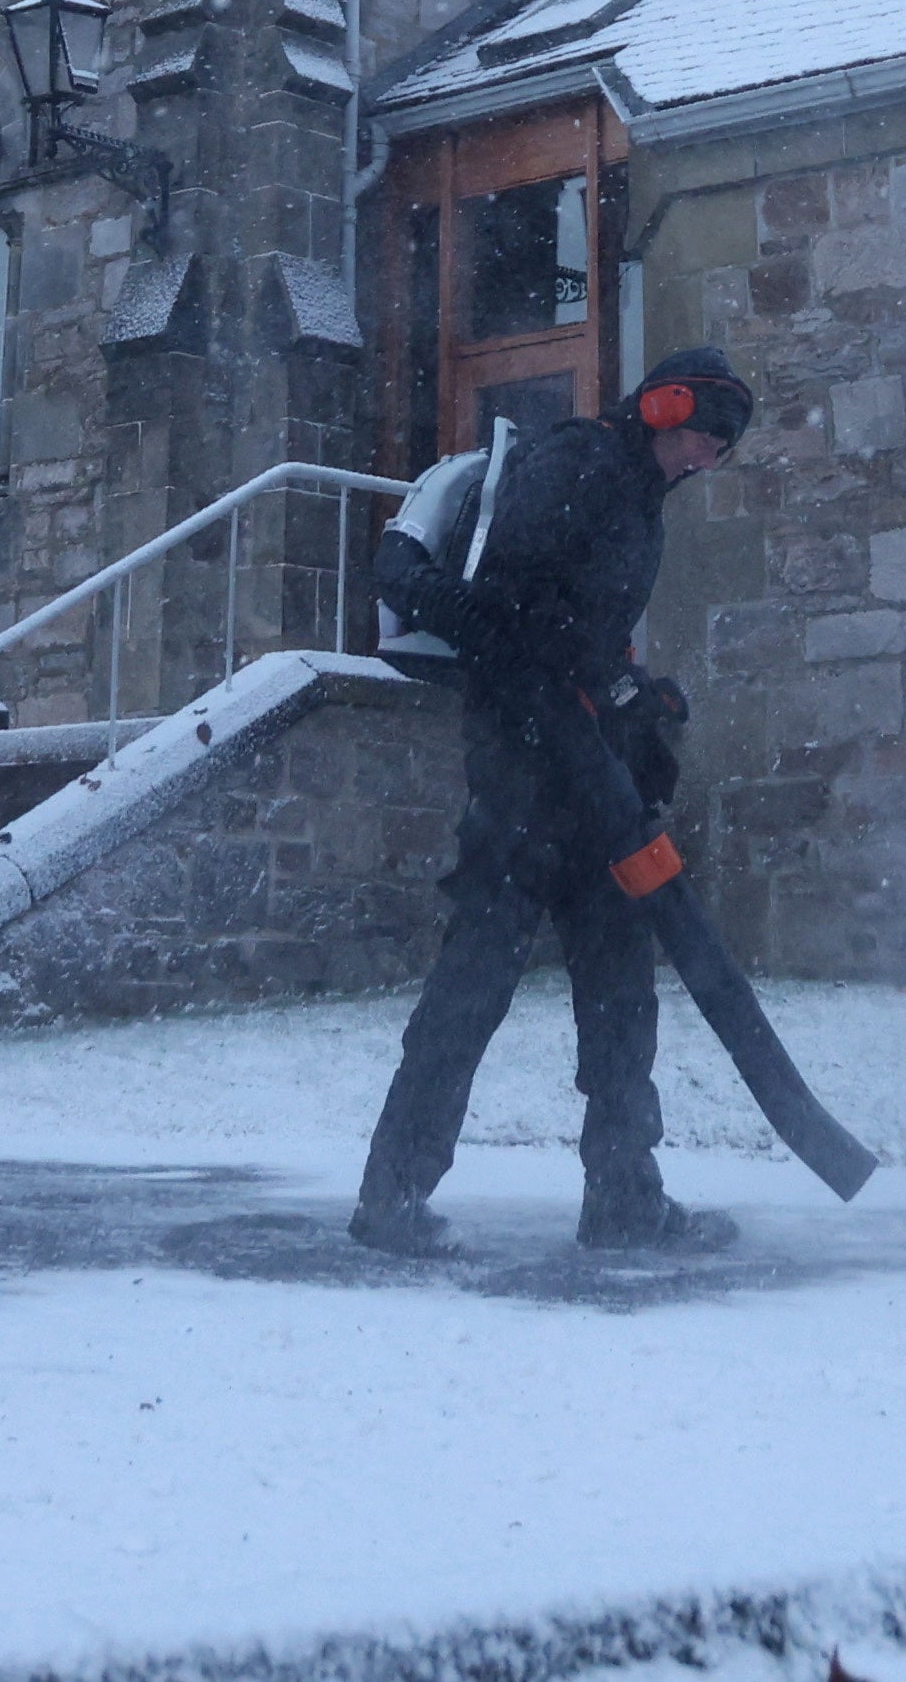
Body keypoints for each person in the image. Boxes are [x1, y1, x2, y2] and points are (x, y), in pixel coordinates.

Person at [351, 346, 758, 1255]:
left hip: (588, 783)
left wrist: (631, 704)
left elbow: (583, 634)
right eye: (704, 438)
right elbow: (506, 612)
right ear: (664, 407)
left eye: (719, 452)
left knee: (620, 986)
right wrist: (591, 685)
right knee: (477, 980)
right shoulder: (578, 463)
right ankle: (392, 1199)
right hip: (522, 770)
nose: (706, 462)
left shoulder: (637, 496)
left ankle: (624, 1198)